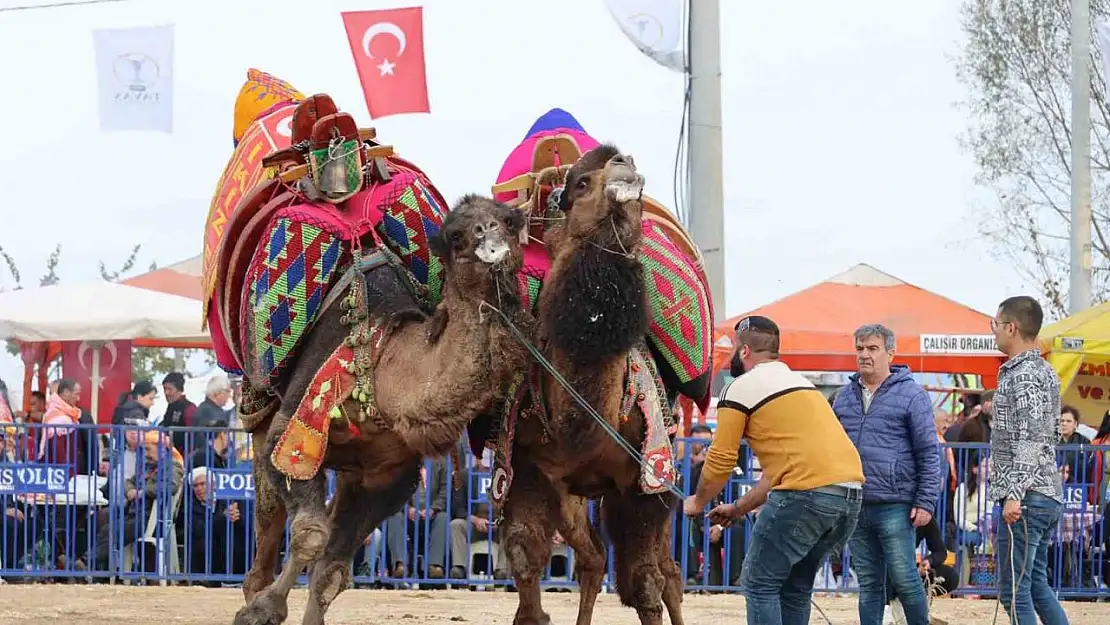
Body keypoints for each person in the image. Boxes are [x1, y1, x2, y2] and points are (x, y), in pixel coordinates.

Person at [682, 315, 864, 625]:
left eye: (731, 350)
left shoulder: (740, 388)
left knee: (759, 582)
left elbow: (722, 458)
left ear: (744, 352)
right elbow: (776, 473)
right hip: (848, 496)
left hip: (805, 495)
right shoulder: (801, 385)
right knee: (795, 587)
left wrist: (698, 502)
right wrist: (738, 508)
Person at [833, 324, 941, 625]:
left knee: (905, 578)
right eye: (860, 348)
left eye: (872, 348)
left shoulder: (912, 395)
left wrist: (926, 501)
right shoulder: (843, 396)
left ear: (890, 353)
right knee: (869, 584)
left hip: (897, 503)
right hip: (855, 502)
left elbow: (929, 452)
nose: (864, 355)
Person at [989, 295, 1069, 625]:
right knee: (1035, 585)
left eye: (995, 324)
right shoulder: (1045, 371)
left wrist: (1015, 492)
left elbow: (1033, 437)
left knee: (1014, 590)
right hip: (1043, 494)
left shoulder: (1023, 375)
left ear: (1012, 327)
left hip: (1027, 498)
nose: (993, 331)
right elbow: (1051, 432)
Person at [161, 372, 196, 454]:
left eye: (170, 389)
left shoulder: (189, 408)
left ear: (179, 390)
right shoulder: (170, 407)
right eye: (164, 389)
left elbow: (193, 435)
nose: (166, 393)